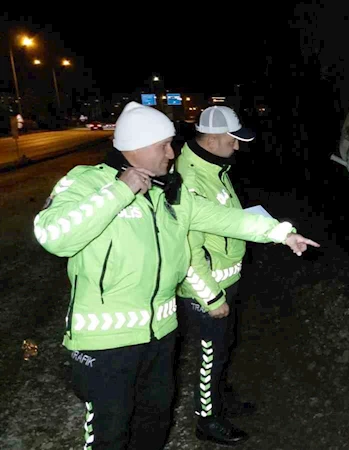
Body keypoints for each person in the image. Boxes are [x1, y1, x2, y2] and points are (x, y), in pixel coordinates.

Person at [32, 101, 319, 450]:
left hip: (160, 335)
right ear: (137, 147)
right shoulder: (86, 181)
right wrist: (120, 192)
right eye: (164, 145)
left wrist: (281, 232)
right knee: (111, 433)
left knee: (155, 421)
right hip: (106, 344)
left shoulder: (169, 191)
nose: (172, 153)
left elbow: (227, 218)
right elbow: (54, 236)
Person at [173, 105, 259, 445]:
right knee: (210, 356)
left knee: (224, 347)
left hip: (226, 279)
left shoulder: (213, 166)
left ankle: (220, 400)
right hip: (207, 290)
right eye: (233, 140)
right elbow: (188, 251)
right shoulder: (191, 180)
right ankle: (206, 420)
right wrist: (211, 297)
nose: (237, 146)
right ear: (211, 138)